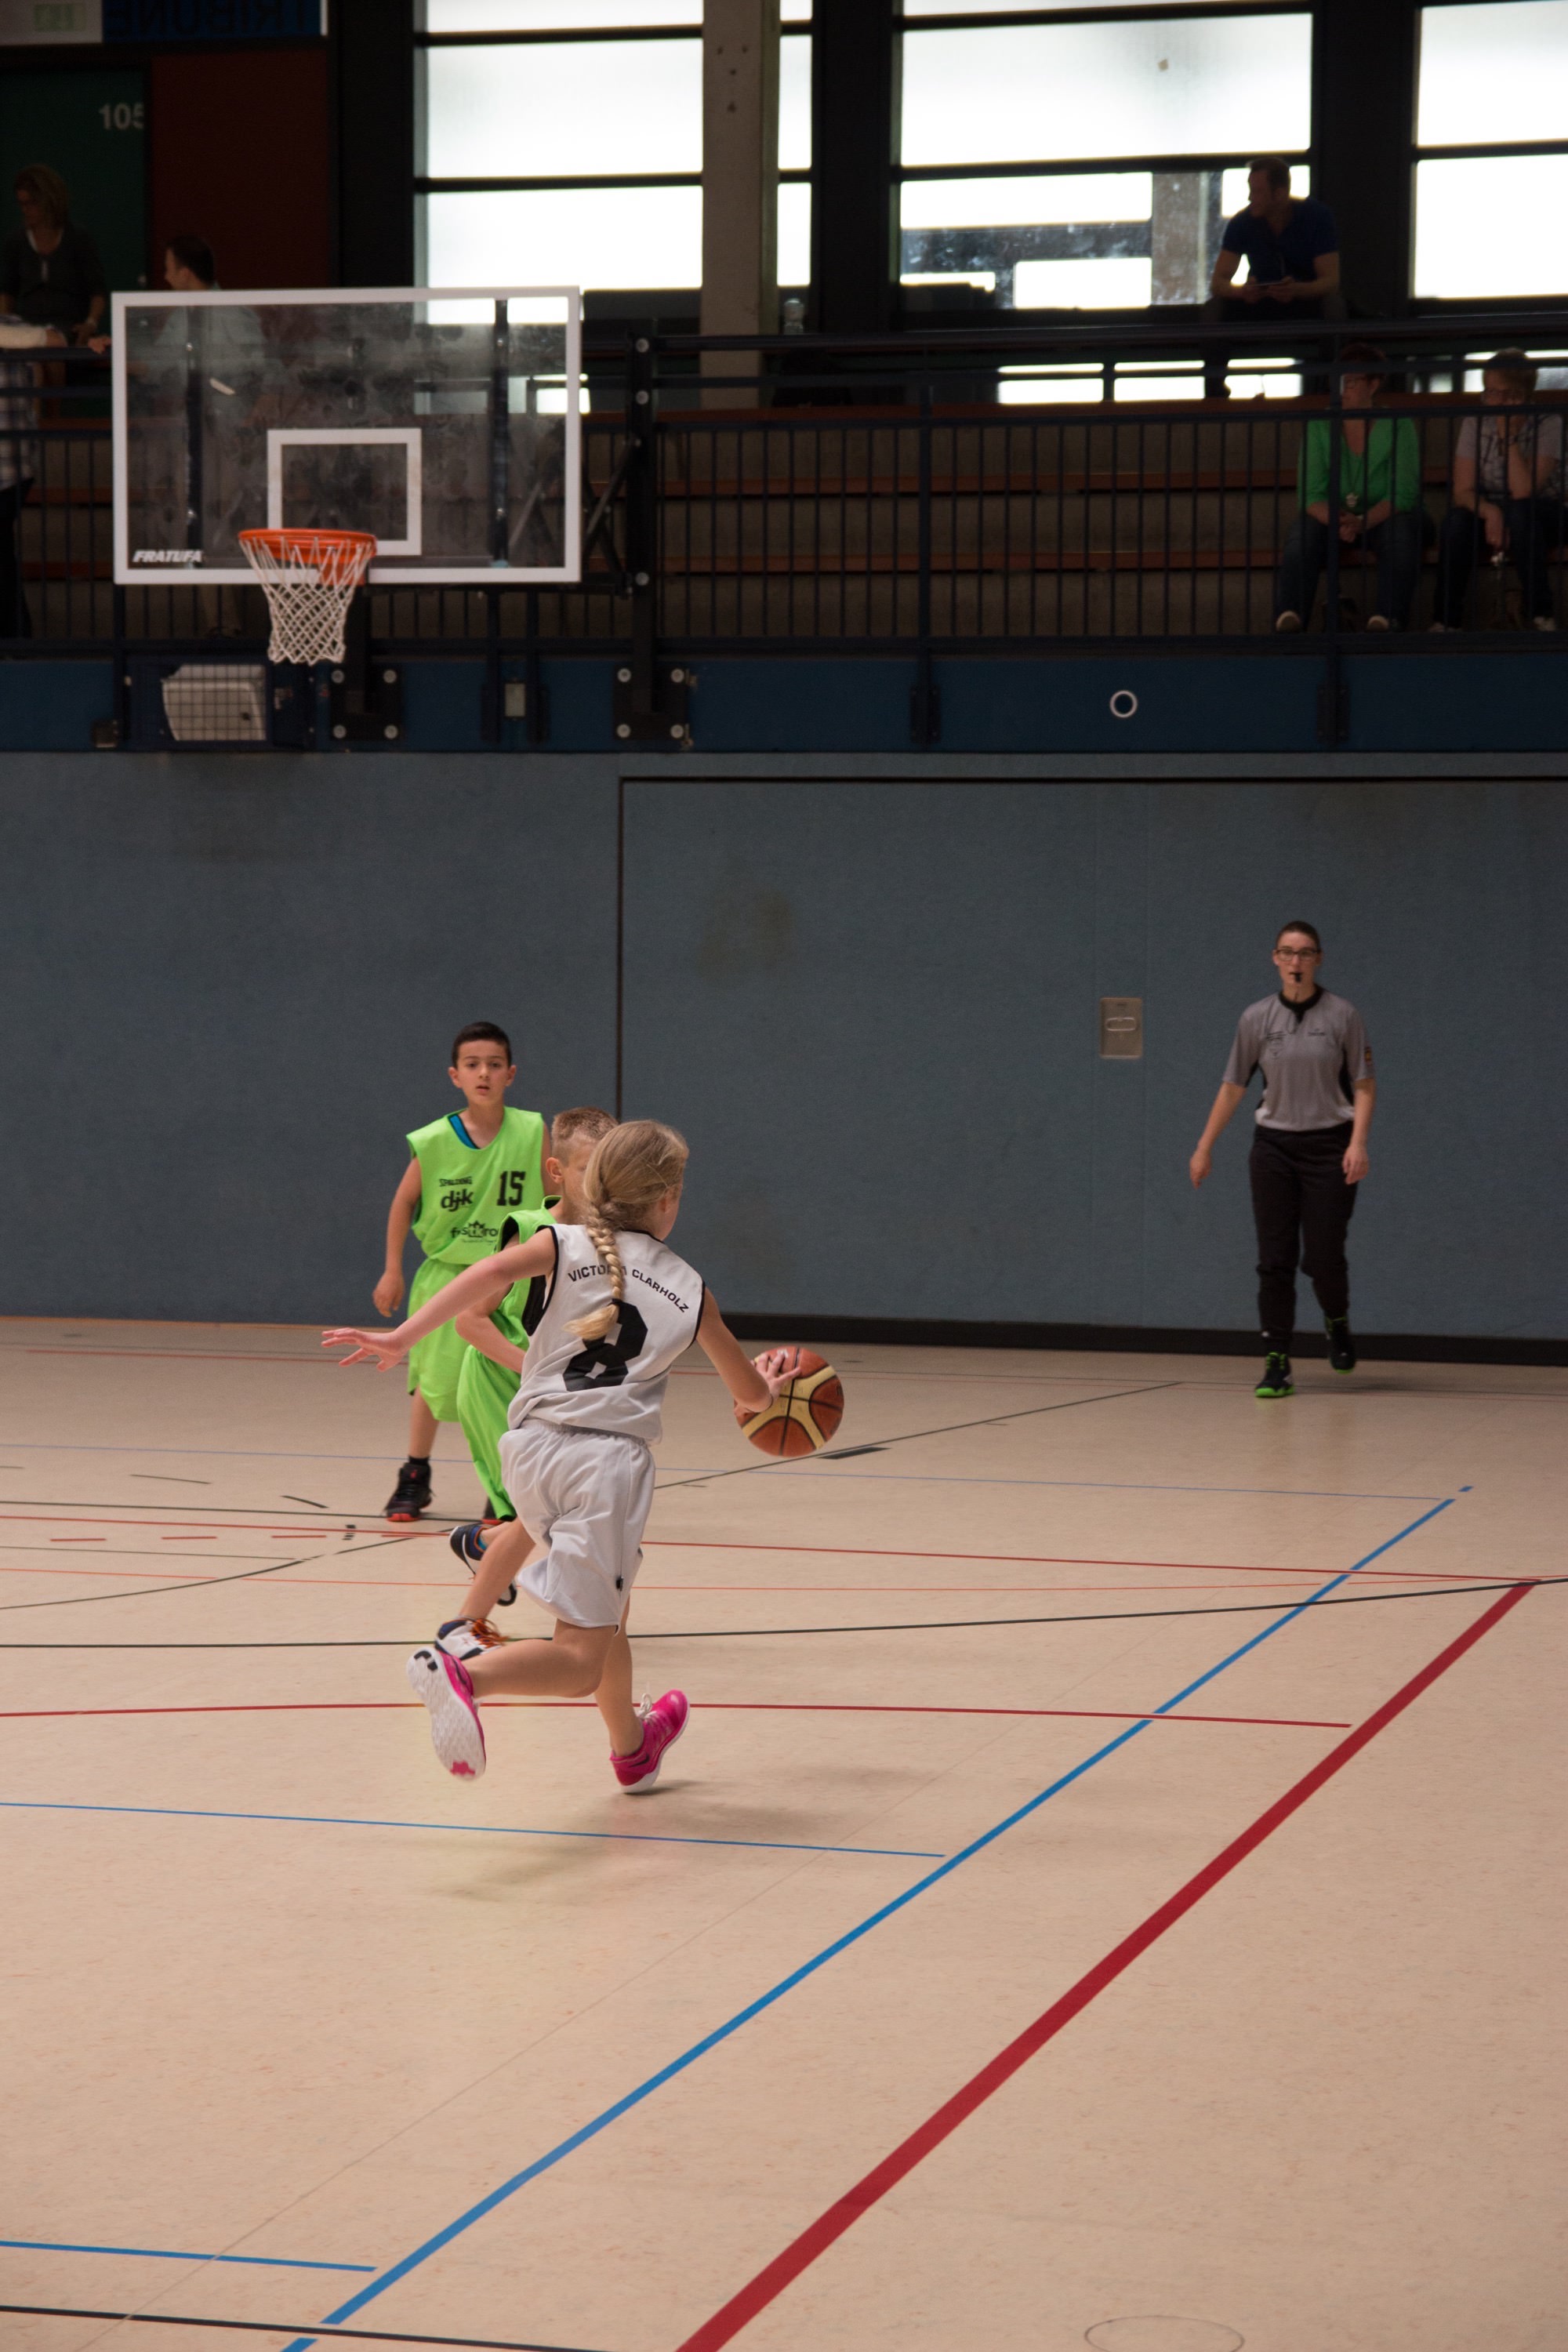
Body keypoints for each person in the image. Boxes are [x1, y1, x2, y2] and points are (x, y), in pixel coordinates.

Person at [324, 1120, 793, 1791]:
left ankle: (634, 1748)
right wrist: (768, 1384)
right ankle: (463, 1673)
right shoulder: (691, 1289)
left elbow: (485, 1273)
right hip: (605, 1469)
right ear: (668, 1199)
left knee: (608, 1613)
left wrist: (403, 1337)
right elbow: (750, 1399)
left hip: (529, 1452)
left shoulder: (562, 1241)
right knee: (577, 1661)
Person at [1189, 921, 1375, 1402]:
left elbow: (1363, 1085)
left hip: (1329, 1146)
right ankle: (1277, 1360)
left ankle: (1336, 1320)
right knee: (1275, 1259)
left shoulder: (1343, 1015)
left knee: (1323, 1258)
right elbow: (1233, 1086)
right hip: (1274, 1148)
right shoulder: (1256, 1018)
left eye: (1305, 953)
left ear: (1318, 959)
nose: (1296, 962)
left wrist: (1357, 1143)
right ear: (1274, 958)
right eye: (1288, 953)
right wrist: (1205, 1146)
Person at [374, 1023, 547, 1521]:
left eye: (494, 1064)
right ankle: (415, 1473)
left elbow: (557, 1193)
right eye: (473, 1065)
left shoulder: (534, 1131)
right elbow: (403, 1203)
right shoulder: (432, 1140)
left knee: (508, 1380)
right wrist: (392, 1270)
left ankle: (504, 1483)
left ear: (511, 1074)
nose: (484, 1073)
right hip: (447, 1275)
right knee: (432, 1382)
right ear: (455, 1075)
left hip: (513, 1277)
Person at [451, 1102, 616, 1552]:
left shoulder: (613, 1239)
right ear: (556, 1170)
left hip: (557, 1391)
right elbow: (470, 1321)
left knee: (558, 1513)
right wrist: (537, 1369)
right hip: (497, 1382)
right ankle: (481, 1566)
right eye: (587, 1169)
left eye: (608, 1169)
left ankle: (479, 1548)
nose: (600, 1182)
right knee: (535, 1514)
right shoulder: (529, 1232)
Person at [1275, 344, 1428, 632]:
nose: (1342, 389)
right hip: (1337, 517)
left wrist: (1363, 522)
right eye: (1338, 381)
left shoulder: (1399, 424)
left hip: (1388, 515)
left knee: (1400, 534)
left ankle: (1388, 620)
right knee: (1302, 535)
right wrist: (1341, 520)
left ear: (1374, 384)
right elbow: (1311, 494)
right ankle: (1289, 616)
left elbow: (1403, 493)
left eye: (1352, 382)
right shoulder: (1320, 425)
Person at [1432, 349, 1565, 633]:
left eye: (1504, 394)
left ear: (1522, 395)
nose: (1494, 401)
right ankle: (1445, 622)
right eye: (1490, 392)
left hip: (1544, 511)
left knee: (1520, 514)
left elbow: (1524, 491)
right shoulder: (1475, 424)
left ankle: (1541, 614)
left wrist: (1509, 437)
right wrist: (1490, 511)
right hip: (1491, 507)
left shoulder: (1549, 422)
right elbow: (1463, 491)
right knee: (1455, 523)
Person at [1204, 158, 1341, 398]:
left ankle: (1327, 392)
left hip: (1304, 304)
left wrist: (1298, 290)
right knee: (1213, 309)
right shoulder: (1242, 222)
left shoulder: (1317, 217)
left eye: (1257, 191)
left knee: (1334, 307)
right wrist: (1242, 292)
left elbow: (1330, 280)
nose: (1250, 198)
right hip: (1258, 302)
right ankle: (1215, 394)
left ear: (1280, 193)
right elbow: (1218, 283)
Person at [0, 317, 64, 639]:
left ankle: (17, 639)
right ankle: (18, 638)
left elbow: (57, 340)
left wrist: (20, 336)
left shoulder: (13, 324)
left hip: (11, 467)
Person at [0, 167, 107, 346]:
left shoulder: (78, 238)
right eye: (22, 204)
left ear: (49, 201)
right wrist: (6, 324)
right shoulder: (16, 241)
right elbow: (7, 292)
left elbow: (97, 291)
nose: (26, 210)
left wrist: (90, 323)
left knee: (51, 342)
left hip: (68, 325)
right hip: (26, 325)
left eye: (32, 204)